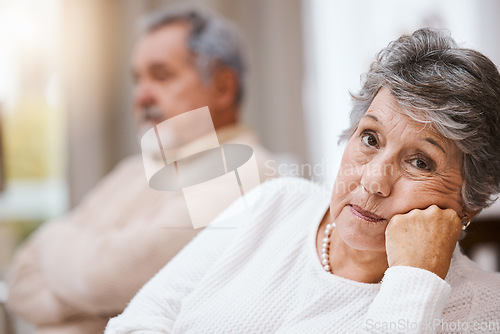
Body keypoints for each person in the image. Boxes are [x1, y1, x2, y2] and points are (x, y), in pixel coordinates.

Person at [106, 28, 500, 334]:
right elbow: (137, 322)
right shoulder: (276, 202)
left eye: (420, 161)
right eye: (370, 138)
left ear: (471, 199)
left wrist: (414, 284)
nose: (374, 179)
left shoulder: (483, 311)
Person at [6, 6, 275, 334]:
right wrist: (96, 300)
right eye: (137, 79)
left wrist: (54, 250)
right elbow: (20, 279)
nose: (141, 96)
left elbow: (103, 278)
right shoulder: (132, 170)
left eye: (161, 75)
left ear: (222, 87)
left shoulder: (246, 173)